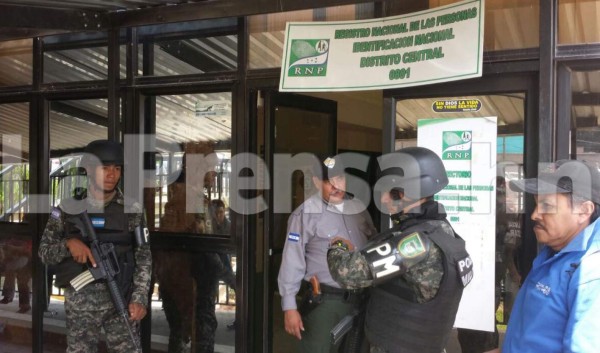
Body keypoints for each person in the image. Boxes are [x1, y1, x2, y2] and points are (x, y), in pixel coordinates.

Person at [327, 147, 473, 353]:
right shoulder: (443, 230)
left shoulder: (415, 243)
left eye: (391, 192)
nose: (384, 199)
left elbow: (345, 273)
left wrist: (338, 246)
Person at [38, 139, 152, 352]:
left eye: (117, 168)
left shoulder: (133, 210)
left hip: (121, 299)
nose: (112, 174)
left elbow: (144, 258)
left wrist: (139, 298)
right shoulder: (66, 208)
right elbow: (44, 252)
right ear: (89, 169)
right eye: (105, 168)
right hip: (81, 306)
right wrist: (69, 244)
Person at [278, 155, 377, 353]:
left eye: (340, 179)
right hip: (327, 303)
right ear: (316, 182)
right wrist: (289, 307)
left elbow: (373, 243)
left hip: (363, 301)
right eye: (329, 182)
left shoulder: (358, 208)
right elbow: (292, 259)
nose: (337, 186)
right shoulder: (305, 213)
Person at [503, 159, 600, 353]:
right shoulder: (555, 252)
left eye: (547, 206)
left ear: (584, 210)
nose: (535, 214)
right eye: (536, 204)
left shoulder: (590, 272)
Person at [457, 176, 522, 353]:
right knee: (476, 329)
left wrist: (514, 272)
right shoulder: (484, 214)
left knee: (484, 327)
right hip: (479, 277)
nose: (501, 198)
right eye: (498, 193)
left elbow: (509, 248)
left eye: (503, 193)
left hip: (492, 276)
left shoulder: (507, 214)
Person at [0, 238, 32, 313]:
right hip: (11, 256)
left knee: (23, 276)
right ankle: (8, 296)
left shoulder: (28, 233)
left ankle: (25, 304)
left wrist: (13, 248)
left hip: (26, 257)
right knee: (10, 271)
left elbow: (28, 249)